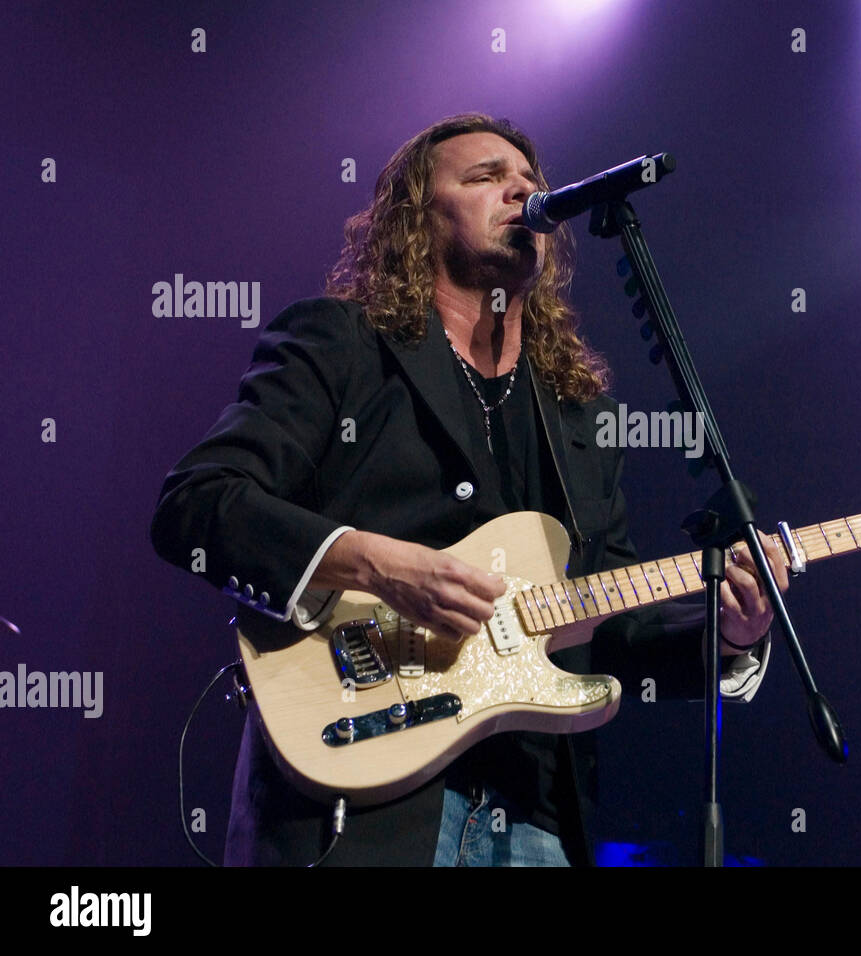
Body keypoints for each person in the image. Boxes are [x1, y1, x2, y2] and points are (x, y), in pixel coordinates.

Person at [150, 113, 787, 866]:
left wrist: (730, 636)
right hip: (364, 806)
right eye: (485, 177)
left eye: (529, 181)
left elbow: (605, 623)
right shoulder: (342, 344)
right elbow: (196, 505)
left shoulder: (577, 416)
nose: (519, 189)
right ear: (417, 219)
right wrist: (376, 563)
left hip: (540, 820)